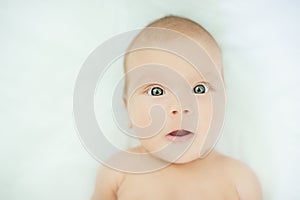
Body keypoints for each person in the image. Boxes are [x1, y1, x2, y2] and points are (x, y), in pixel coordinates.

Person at [91, 15, 263, 200]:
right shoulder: (118, 171)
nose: (180, 107)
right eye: (156, 91)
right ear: (128, 107)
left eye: (199, 89)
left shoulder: (239, 178)